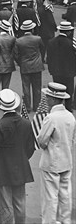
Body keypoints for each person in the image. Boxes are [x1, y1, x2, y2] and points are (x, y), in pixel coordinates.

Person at [0, 89, 35, 224]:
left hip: (3, 169)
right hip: (20, 167)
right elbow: (30, 147)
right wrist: (21, 158)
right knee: (20, 202)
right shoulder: (26, 124)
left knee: (4, 204)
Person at [37, 82, 76, 224]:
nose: (46, 100)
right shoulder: (70, 117)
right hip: (66, 160)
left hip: (51, 162)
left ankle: (49, 222)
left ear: (53, 99)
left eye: (47, 97)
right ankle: (65, 220)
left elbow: (42, 141)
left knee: (50, 198)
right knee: (65, 195)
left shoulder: (51, 118)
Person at [14, 20, 45, 112]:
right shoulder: (38, 39)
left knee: (26, 87)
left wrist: (20, 62)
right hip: (37, 65)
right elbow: (43, 49)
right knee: (37, 87)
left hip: (25, 65)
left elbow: (15, 54)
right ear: (32, 29)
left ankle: (27, 107)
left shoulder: (19, 41)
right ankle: (36, 106)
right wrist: (40, 59)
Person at [46, 22, 76, 111]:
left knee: (57, 91)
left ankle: (56, 107)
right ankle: (68, 108)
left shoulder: (51, 42)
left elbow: (49, 57)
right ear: (68, 32)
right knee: (69, 91)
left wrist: (51, 69)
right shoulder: (72, 43)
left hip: (56, 71)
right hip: (69, 71)